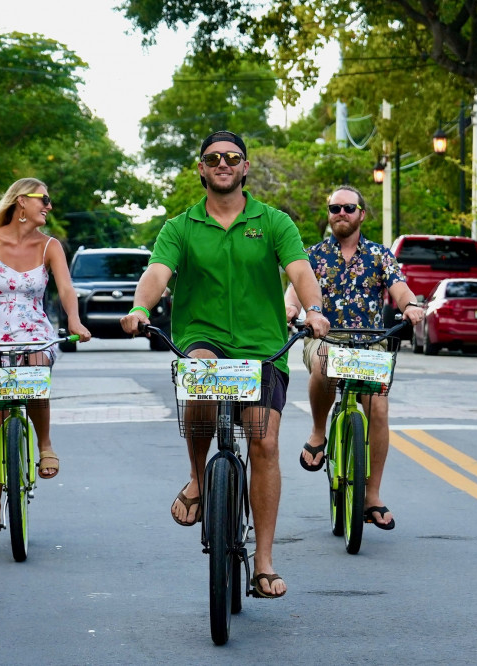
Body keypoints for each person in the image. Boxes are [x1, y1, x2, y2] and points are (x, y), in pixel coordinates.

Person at [120, 130, 329, 599]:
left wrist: (313, 309)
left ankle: (265, 560)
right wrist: (139, 308)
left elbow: (300, 271)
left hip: (262, 346)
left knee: (265, 443)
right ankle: (198, 478)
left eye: (232, 157)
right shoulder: (181, 226)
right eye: (213, 157)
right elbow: (158, 273)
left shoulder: (273, 221)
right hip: (204, 337)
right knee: (197, 378)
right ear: (201, 167)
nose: (223, 163)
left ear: (245, 167)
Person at [0, 177, 91, 531]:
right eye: (44, 199)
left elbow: (66, 289)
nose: (49, 206)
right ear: (22, 201)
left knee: (37, 372)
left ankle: (46, 445)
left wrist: (75, 321)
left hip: (34, 330)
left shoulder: (50, 246)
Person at [284, 185, 424, 531]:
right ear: (329, 214)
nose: (341, 214)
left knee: (378, 405)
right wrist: (290, 310)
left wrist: (410, 307)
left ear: (362, 214)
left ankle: (372, 494)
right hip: (325, 338)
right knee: (323, 362)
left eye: (348, 208)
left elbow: (400, 289)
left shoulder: (381, 256)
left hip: (370, 345)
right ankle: (319, 433)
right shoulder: (312, 256)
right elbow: (294, 293)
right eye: (334, 208)